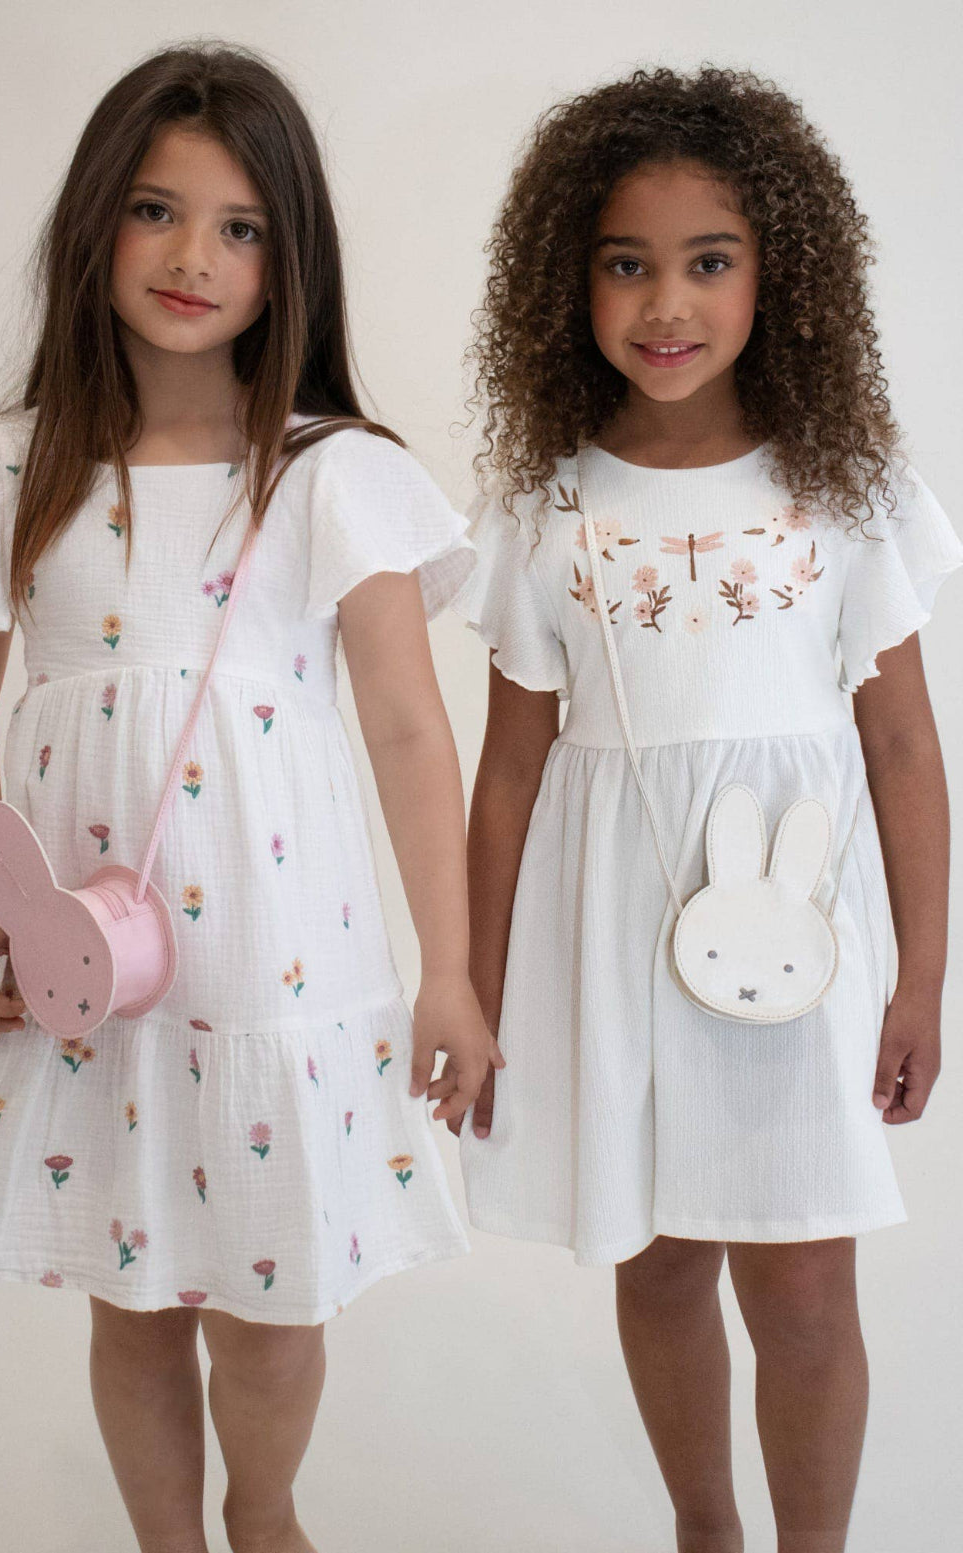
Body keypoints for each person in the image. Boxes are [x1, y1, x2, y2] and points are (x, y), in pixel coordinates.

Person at [0, 42, 496, 1553]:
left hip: (285, 954)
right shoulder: (12, 471)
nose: (190, 257)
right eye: (156, 211)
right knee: (134, 1288)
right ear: (95, 221)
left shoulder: (330, 475)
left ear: (290, 262)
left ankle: (264, 1512)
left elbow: (414, 731)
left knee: (271, 1299)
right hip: (94, 966)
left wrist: (454, 969)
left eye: (239, 227)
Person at [445, 65, 961, 1553]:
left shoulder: (840, 489)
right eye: (626, 263)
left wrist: (922, 970)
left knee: (803, 1280)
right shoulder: (548, 504)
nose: (665, 300)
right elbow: (509, 769)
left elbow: (908, 751)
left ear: (776, 276)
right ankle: (704, 1530)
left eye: (709, 260)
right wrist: (473, 984)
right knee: (659, 1262)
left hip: (796, 945)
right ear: (573, 283)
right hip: (612, 943)